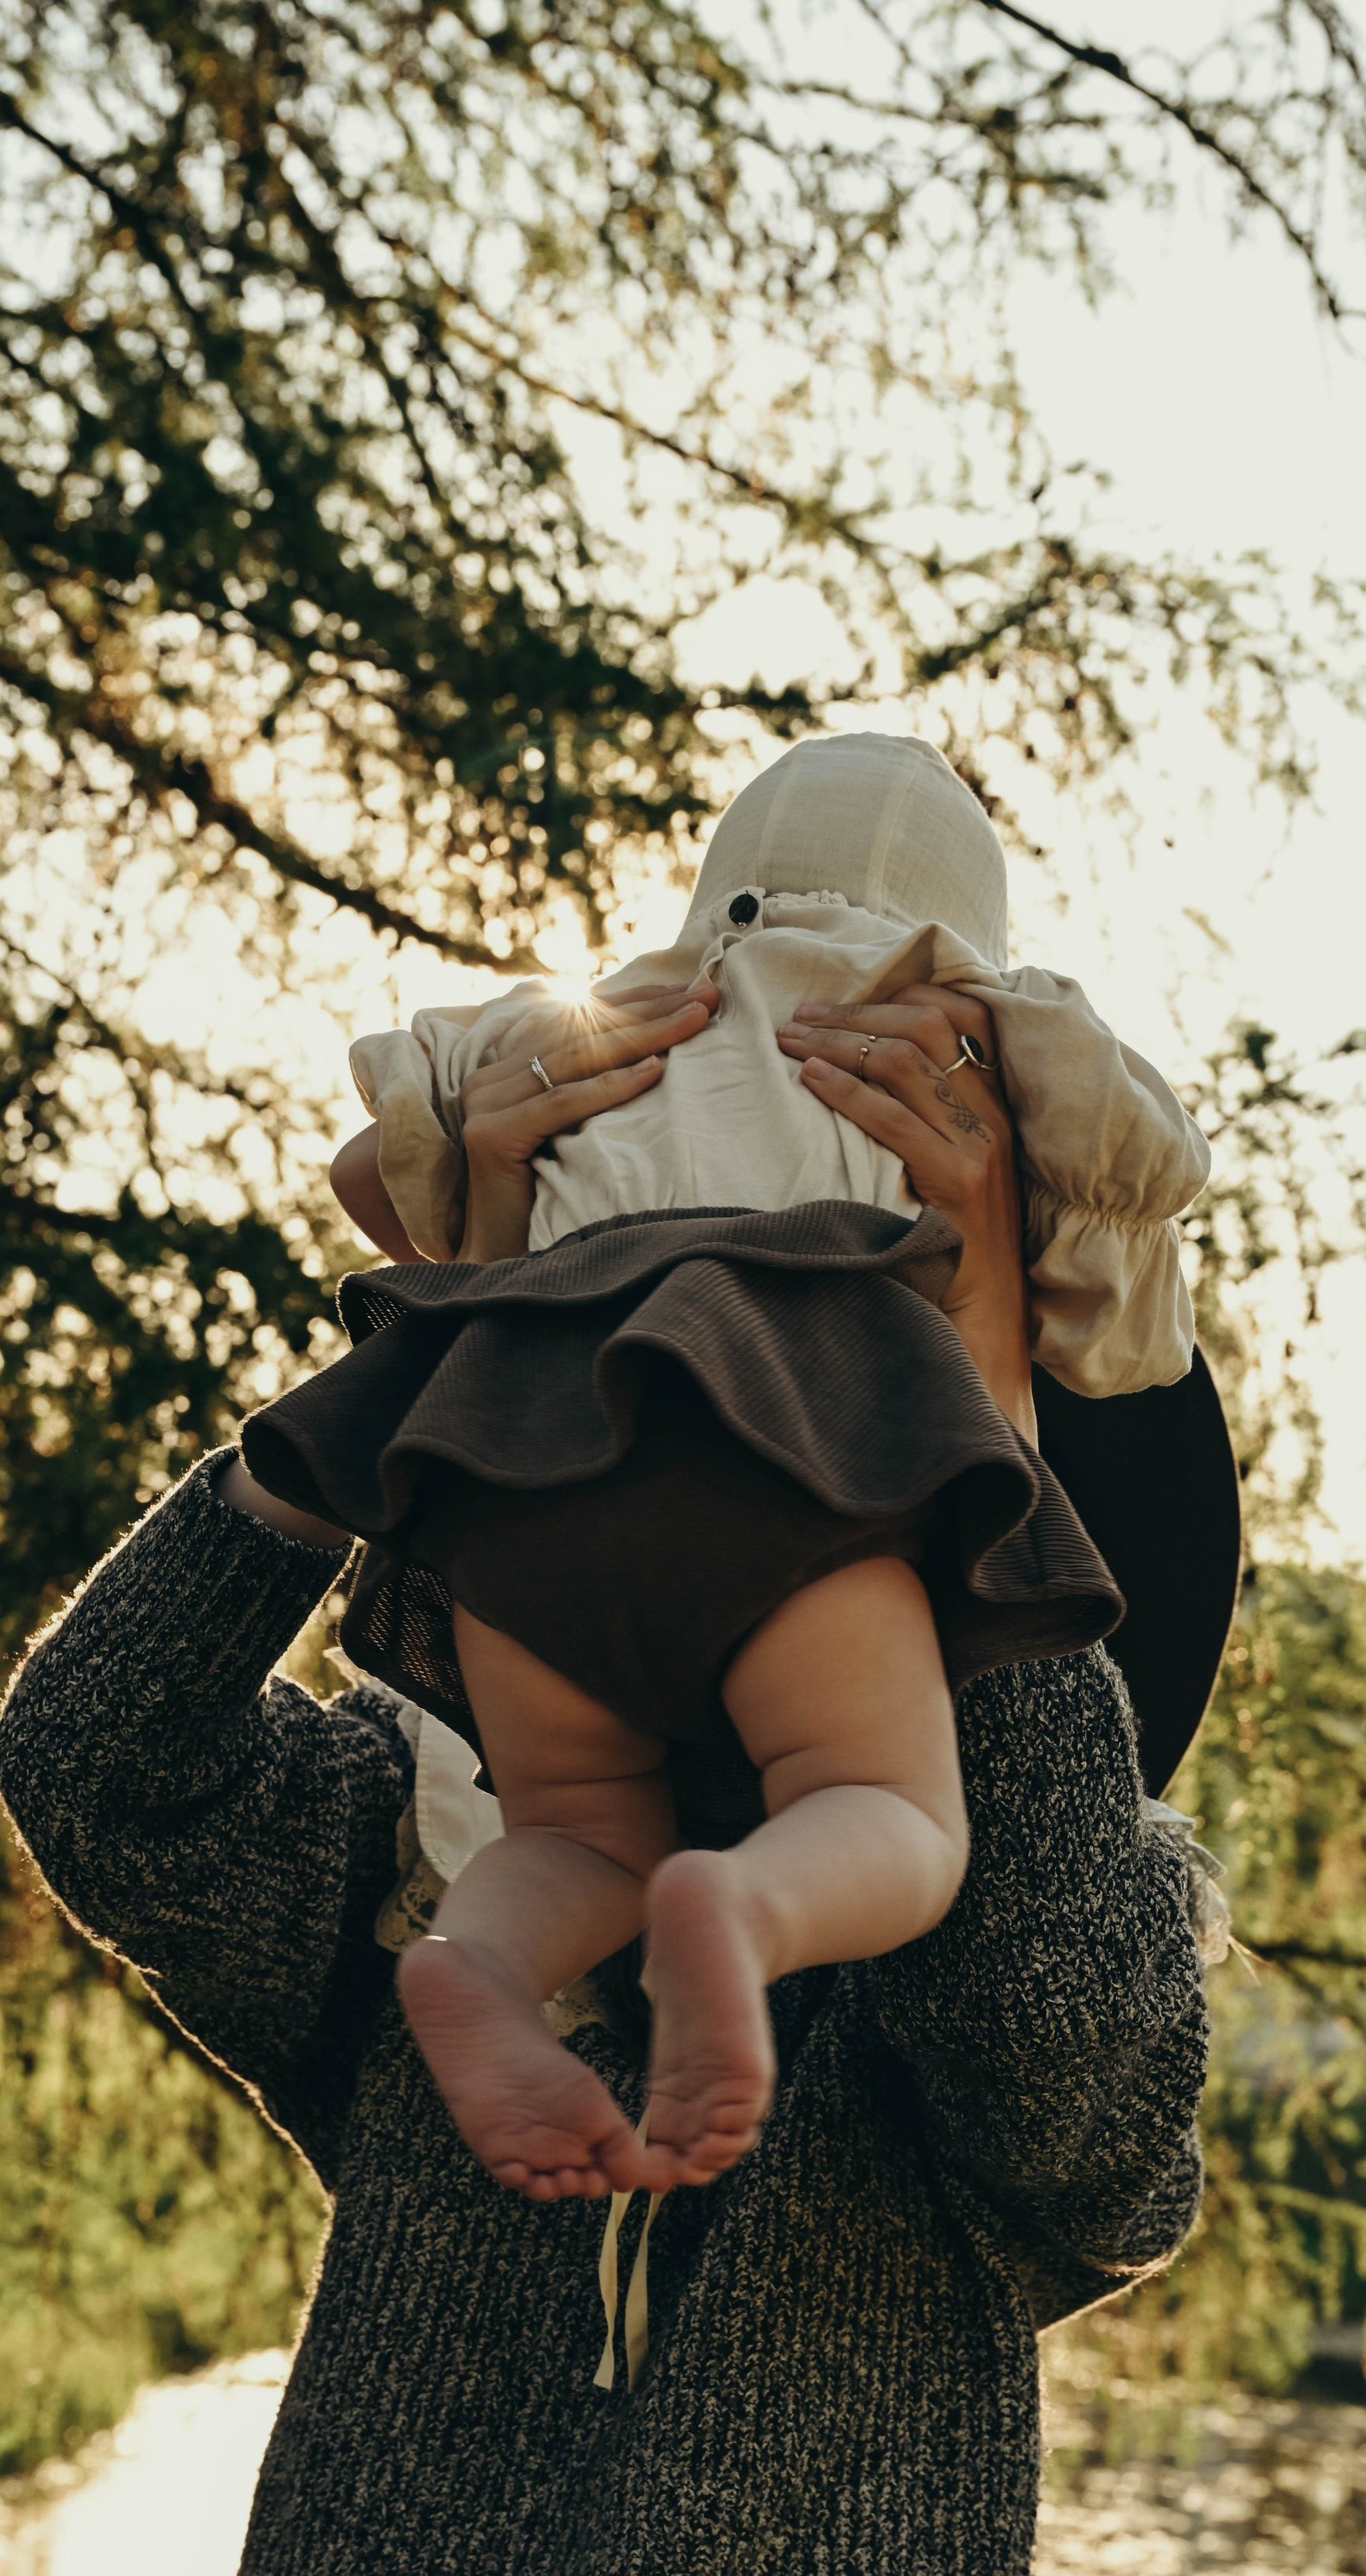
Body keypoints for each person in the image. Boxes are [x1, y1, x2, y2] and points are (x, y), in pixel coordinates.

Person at [0, 734, 1240, 2576]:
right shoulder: (414, 1857)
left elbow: (1078, 2072)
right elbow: (98, 1757)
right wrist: (426, 1376)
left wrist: (965, 1408)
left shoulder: (1027, 1972)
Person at [238, 734, 1207, 2203]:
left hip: (506, 1464)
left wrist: (504, 1218)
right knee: (888, 1809)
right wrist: (1008, 1295)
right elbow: (1135, 1302)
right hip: (791, 1448)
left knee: (572, 1829)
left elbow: (368, 1176)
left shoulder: (589, 1026)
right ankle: (746, 1912)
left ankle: (485, 1968)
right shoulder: (979, 1034)